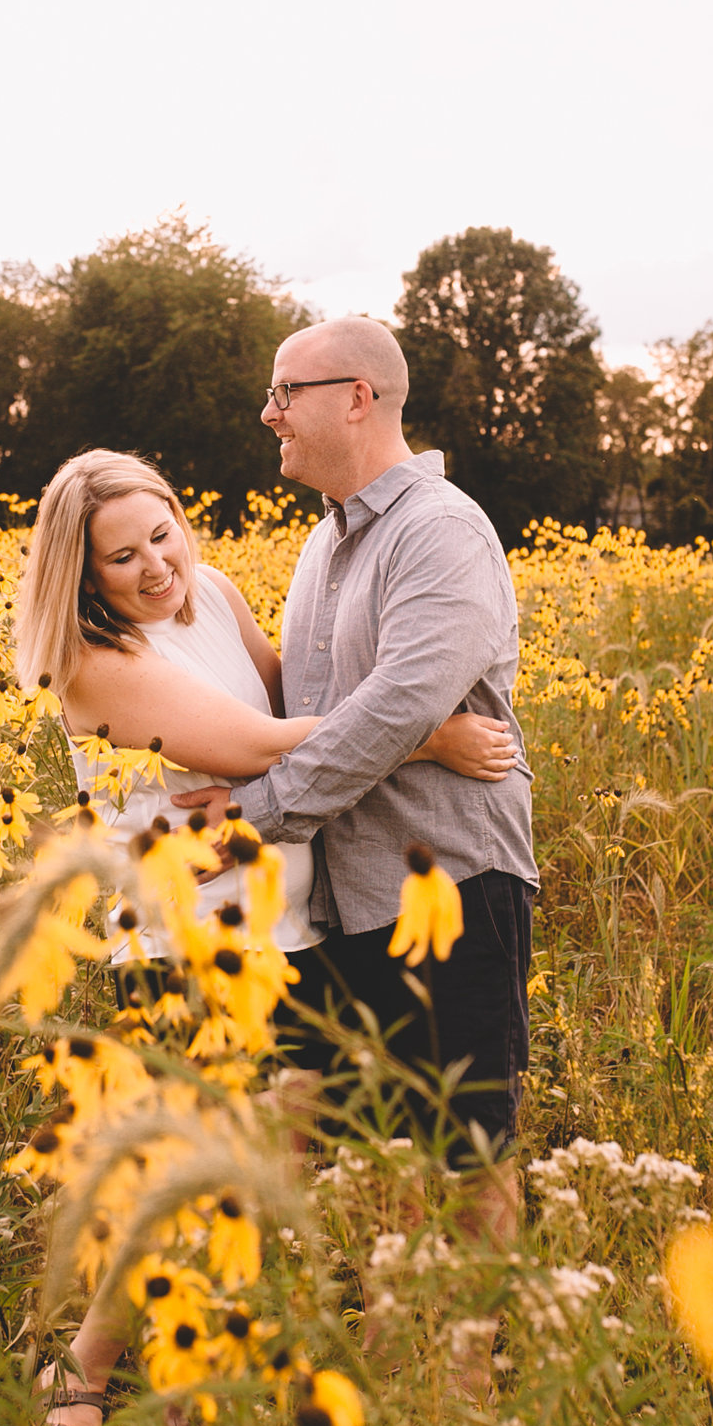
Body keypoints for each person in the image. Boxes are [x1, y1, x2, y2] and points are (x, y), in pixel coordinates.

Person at [8, 446, 517, 1426]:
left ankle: (211, 1363)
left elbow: (297, 710)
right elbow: (249, 744)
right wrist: (431, 733)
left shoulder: (218, 592)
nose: (155, 565)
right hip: (192, 937)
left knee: (258, 1163)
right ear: (81, 576)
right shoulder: (95, 658)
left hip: (287, 921)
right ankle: (85, 1368)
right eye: (121, 557)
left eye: (162, 533)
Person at [169, 314, 539, 1324]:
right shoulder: (319, 547)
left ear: (357, 398)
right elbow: (302, 711)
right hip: (338, 898)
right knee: (347, 1138)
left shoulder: (439, 528)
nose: (268, 412)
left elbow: (398, 704)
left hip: (447, 882)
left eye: (286, 390)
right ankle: (386, 1348)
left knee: (467, 1143)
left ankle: (471, 1377)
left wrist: (254, 813)